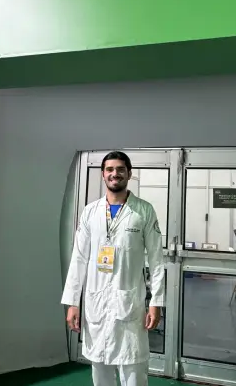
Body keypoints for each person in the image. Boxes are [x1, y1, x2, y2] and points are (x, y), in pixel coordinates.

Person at [62, 151, 165, 386]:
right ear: (103, 174)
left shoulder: (144, 211)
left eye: (120, 169)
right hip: (96, 302)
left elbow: (157, 260)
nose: (114, 174)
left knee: (133, 369)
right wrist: (72, 302)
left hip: (129, 303)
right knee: (100, 367)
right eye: (109, 169)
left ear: (129, 173)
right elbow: (79, 259)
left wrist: (156, 302)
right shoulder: (90, 212)